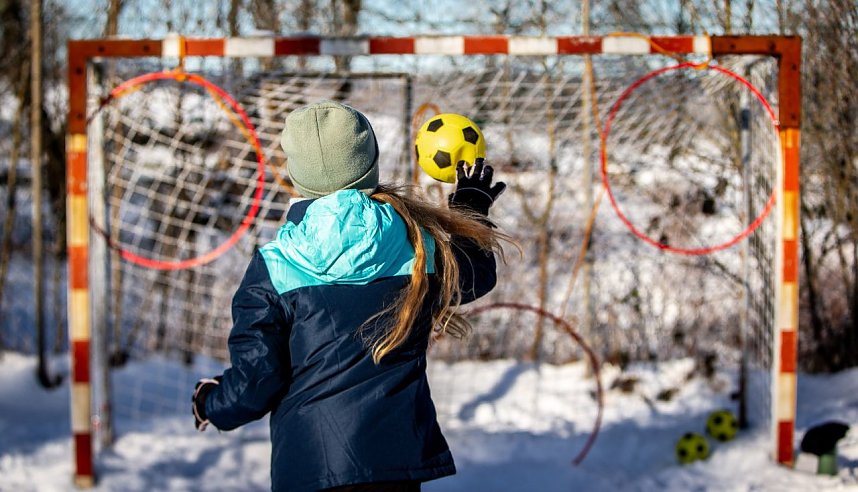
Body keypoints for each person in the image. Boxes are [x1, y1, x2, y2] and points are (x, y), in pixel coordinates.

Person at [191, 100, 508, 492]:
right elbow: (475, 274)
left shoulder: (275, 266)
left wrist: (210, 403)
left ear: (296, 175)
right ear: (369, 162)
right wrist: (469, 207)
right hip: (396, 468)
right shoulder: (416, 246)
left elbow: (257, 380)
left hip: (311, 468)